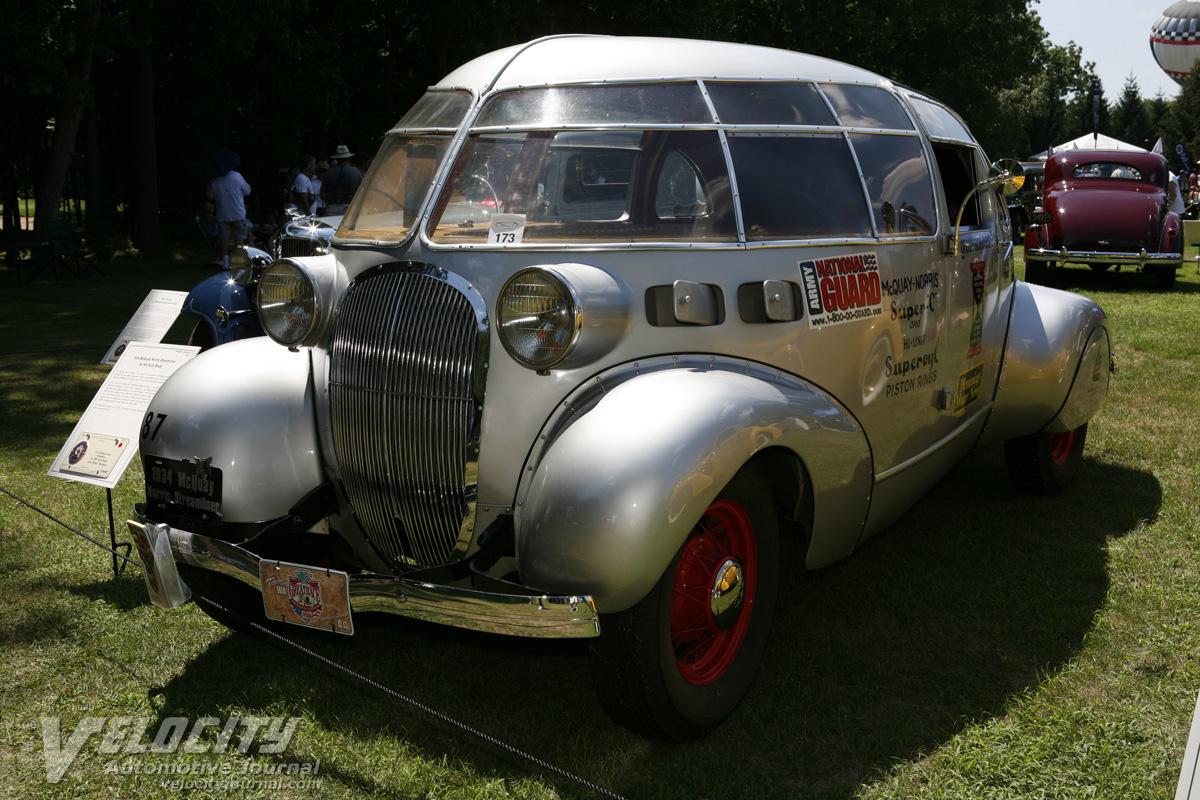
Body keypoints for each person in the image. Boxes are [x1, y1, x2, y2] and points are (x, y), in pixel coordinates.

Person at [205, 167, 251, 270]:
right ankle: (239, 261)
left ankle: (225, 262)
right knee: (239, 237)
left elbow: (210, 195)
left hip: (223, 214)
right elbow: (247, 191)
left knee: (224, 237)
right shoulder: (237, 176)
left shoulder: (215, 179)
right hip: (237, 213)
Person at [323, 145, 364, 214]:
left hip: (333, 207)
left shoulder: (329, 173)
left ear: (337, 159)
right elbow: (363, 192)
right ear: (349, 158)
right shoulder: (356, 173)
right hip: (351, 207)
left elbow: (322, 195)